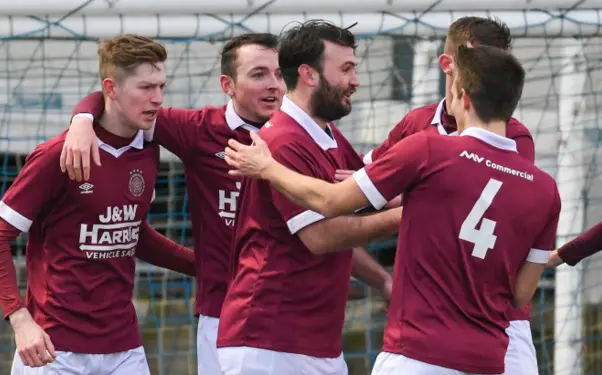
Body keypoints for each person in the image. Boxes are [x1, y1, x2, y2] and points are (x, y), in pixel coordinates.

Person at [59, 32, 393, 375]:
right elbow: (118, 98)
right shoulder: (200, 129)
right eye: (258, 74)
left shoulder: (318, 135)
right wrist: (83, 120)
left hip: (305, 325)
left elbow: (331, 226)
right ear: (228, 85)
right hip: (234, 321)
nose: (273, 86)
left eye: (279, 74)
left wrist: (382, 279)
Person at [224, 44, 560, 375]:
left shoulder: (429, 149)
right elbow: (520, 294)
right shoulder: (546, 190)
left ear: (463, 98)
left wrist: (267, 168)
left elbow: (329, 201)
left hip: (415, 356)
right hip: (489, 359)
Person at [0, 34, 196, 375]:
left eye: (161, 86)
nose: (157, 99)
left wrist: (204, 266)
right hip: (53, 349)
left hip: (124, 347)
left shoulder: (149, 150)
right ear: (111, 89)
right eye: (146, 87)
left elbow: (130, 233)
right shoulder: (58, 154)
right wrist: (20, 320)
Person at [215, 20, 402, 375]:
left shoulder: (325, 134)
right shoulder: (285, 139)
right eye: (345, 69)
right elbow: (321, 236)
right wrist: (406, 215)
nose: (355, 81)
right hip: (270, 341)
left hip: (312, 342)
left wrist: (383, 280)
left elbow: (357, 207)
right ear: (309, 74)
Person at [355, 16, 539, 375]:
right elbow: (360, 184)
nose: (488, 73)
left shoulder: (516, 138)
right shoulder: (416, 125)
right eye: (477, 62)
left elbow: (480, 205)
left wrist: (401, 194)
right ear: (448, 64)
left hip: (501, 320)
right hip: (425, 319)